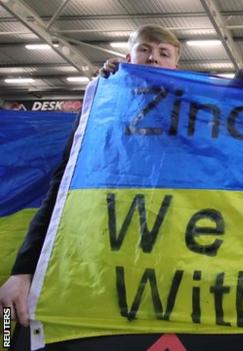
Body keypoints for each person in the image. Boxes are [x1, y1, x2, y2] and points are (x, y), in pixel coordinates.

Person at [0, 24, 182, 327]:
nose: (153, 59)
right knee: (8, 329)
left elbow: (232, 101)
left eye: (164, 53)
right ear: (128, 57)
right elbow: (59, 192)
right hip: (96, 269)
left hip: (169, 269)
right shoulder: (99, 109)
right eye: (145, 50)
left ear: (176, 65)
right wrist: (22, 271)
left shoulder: (194, 112)